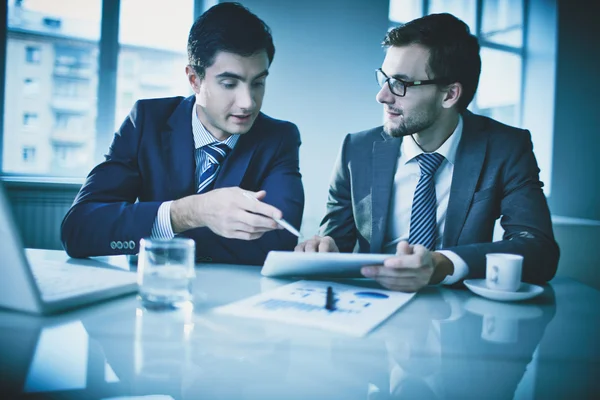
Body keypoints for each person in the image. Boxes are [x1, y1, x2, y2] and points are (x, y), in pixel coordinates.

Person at [295, 13, 559, 291]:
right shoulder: (356, 150)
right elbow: (334, 241)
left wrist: (443, 263)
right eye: (384, 79)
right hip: (369, 301)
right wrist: (322, 247)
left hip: (457, 312)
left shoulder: (505, 148)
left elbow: (538, 250)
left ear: (449, 95)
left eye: (401, 84)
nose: (382, 96)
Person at [61, 2, 304, 265]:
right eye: (229, 83)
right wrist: (190, 212)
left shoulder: (279, 138)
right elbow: (79, 230)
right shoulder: (145, 121)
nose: (248, 102)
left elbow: (280, 242)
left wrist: (151, 227)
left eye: (258, 83)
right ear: (194, 79)